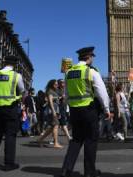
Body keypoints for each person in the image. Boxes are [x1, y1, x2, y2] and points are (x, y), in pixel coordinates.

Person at [60, 47, 110, 177]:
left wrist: (68, 110)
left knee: (76, 140)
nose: (92, 59)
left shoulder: (69, 72)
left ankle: (66, 169)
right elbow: (102, 93)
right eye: (92, 57)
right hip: (89, 110)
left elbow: (66, 94)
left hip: (74, 111)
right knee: (90, 140)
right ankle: (89, 172)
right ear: (89, 57)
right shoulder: (91, 72)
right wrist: (107, 109)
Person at [37, 80, 63, 148]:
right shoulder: (50, 91)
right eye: (55, 84)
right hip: (51, 111)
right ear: (52, 85)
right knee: (56, 126)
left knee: (52, 127)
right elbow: (50, 102)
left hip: (54, 110)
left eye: (57, 84)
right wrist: (54, 111)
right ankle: (56, 143)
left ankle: (40, 139)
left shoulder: (54, 91)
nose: (57, 85)